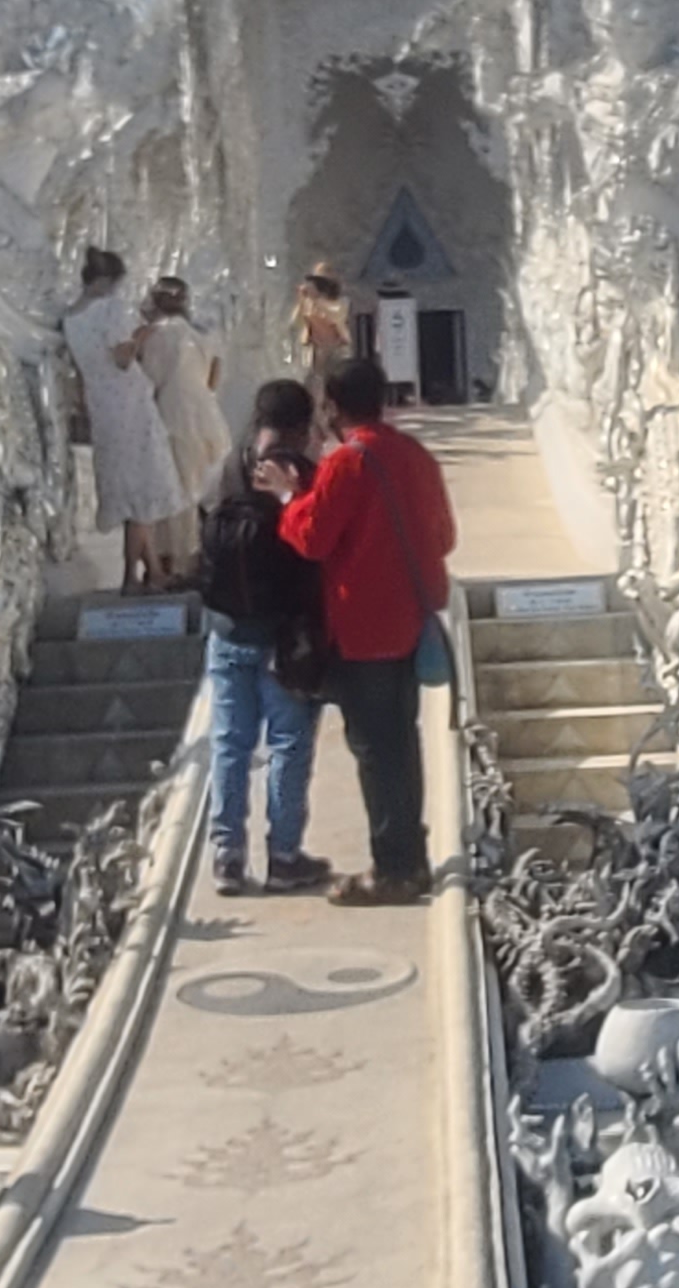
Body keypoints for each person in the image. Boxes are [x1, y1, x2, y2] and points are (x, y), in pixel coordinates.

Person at [262, 355, 455, 903]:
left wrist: (288, 497)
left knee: (374, 750)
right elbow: (444, 537)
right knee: (401, 743)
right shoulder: (414, 455)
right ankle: (410, 855)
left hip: (362, 627)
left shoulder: (347, 462)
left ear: (331, 406)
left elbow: (312, 538)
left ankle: (393, 868)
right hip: (409, 621)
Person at [200, 380, 332, 895]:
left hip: (227, 629)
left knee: (230, 743)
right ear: (301, 427)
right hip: (284, 638)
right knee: (287, 744)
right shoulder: (299, 477)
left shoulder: (230, 468)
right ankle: (283, 856)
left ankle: (227, 856)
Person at [63, 247, 188, 590]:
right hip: (128, 402)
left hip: (101, 404)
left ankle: (154, 571)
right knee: (142, 490)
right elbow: (122, 358)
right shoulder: (110, 308)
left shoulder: (71, 317)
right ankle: (131, 575)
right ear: (107, 281)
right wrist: (143, 333)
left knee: (129, 488)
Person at [142, 277, 232, 569]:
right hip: (205, 415)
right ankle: (190, 557)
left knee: (171, 491)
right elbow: (214, 379)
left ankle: (172, 561)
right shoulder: (201, 335)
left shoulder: (156, 335)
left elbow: (150, 379)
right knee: (193, 490)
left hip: (170, 415)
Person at [290, 269, 353, 405]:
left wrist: (316, 302)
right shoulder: (307, 304)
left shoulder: (339, 303)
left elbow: (335, 315)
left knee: (337, 382)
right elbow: (295, 322)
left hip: (335, 350)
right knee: (314, 384)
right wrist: (301, 302)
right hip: (315, 352)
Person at [371, 277, 422, 407]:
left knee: (397, 367)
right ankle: (394, 396)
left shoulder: (402, 306)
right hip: (390, 344)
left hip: (396, 346)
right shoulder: (383, 307)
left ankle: (400, 395)